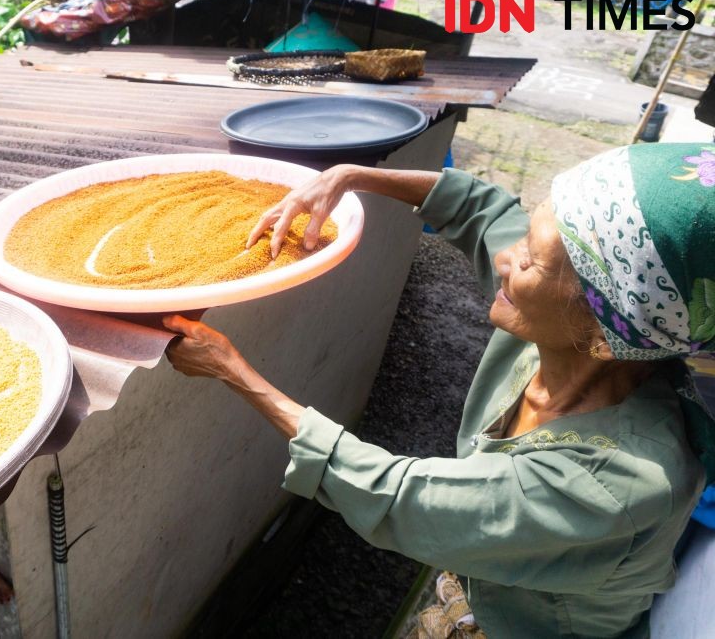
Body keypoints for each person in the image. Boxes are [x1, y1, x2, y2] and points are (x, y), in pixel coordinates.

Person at [163, 143, 715, 637]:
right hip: (491, 586)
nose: (505, 257)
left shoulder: (616, 485)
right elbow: (485, 211)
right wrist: (352, 176)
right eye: (527, 236)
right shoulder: (579, 333)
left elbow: (404, 499)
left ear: (603, 334)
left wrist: (232, 371)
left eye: (529, 261)